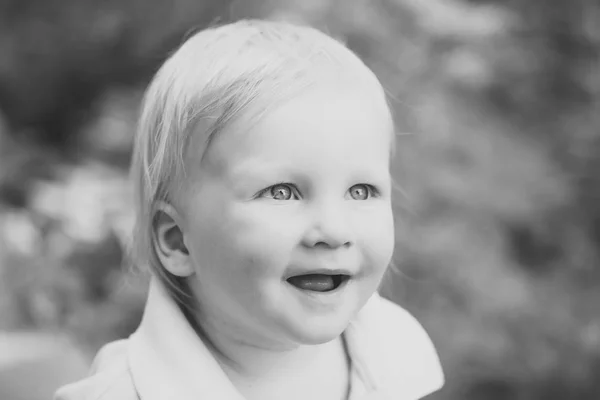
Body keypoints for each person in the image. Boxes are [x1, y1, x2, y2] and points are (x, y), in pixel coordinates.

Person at [54, 19, 444, 400]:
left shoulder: (394, 348)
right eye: (282, 192)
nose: (335, 229)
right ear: (177, 241)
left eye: (360, 191)